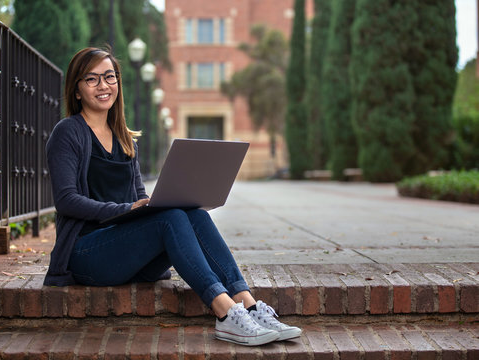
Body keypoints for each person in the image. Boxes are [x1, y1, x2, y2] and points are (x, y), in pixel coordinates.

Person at [44, 47, 302, 346]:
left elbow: (139, 196)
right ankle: (225, 313)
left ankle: (249, 305)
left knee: (193, 214)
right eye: (92, 79)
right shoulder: (68, 133)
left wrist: (154, 201)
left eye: (109, 77)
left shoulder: (124, 138)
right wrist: (128, 208)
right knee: (170, 219)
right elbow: (66, 200)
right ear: (76, 90)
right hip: (87, 254)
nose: (103, 86)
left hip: (129, 255)